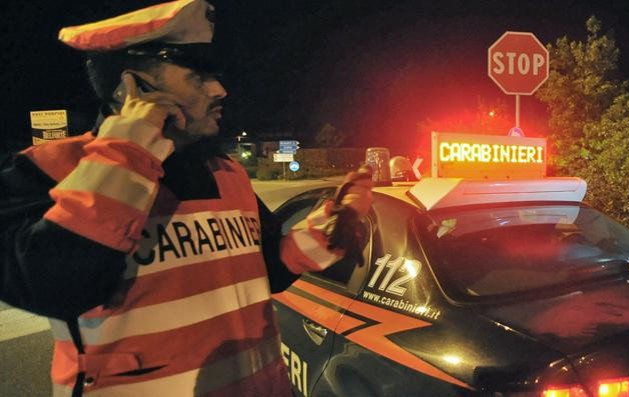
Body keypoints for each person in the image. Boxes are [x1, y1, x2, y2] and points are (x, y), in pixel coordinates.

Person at [0, 1, 372, 395]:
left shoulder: (226, 173)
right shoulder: (49, 169)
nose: (220, 90)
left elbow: (265, 271)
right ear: (136, 87)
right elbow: (54, 285)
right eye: (198, 75)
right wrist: (131, 151)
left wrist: (332, 227)